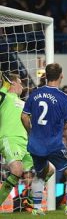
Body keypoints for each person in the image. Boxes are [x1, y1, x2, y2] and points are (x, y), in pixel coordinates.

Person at [21, 63, 67, 216]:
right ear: (61, 76)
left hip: (35, 145)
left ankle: (36, 208)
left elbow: (24, 116)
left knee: (41, 173)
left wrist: (31, 132)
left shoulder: (34, 94)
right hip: (53, 145)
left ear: (46, 76)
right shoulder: (64, 98)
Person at [0, 73, 33, 207]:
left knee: (48, 170)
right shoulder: (5, 97)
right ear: (12, 83)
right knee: (17, 170)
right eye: (20, 83)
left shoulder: (24, 103)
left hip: (26, 141)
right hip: (10, 138)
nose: (22, 86)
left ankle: (29, 200)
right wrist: (3, 86)